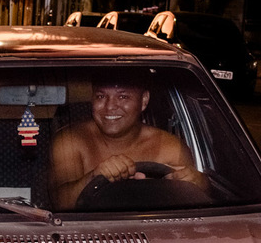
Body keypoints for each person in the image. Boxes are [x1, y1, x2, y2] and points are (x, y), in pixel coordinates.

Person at [49, 78, 206, 210]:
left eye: (123, 97)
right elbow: (59, 205)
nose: (110, 106)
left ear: (143, 101)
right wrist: (94, 177)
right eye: (100, 96)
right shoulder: (71, 141)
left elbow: (193, 212)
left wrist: (200, 184)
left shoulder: (170, 148)